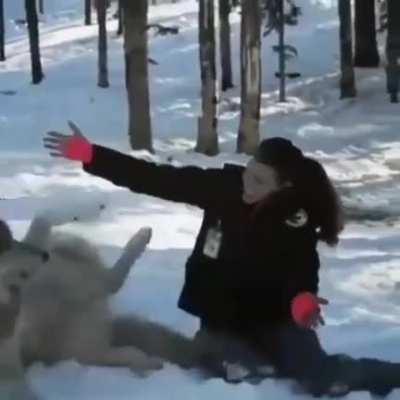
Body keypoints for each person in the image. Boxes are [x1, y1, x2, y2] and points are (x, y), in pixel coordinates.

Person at [43, 122, 400, 397]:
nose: (248, 182)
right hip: (223, 322)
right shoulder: (224, 188)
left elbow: (303, 272)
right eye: (249, 171)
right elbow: (156, 178)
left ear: (283, 188)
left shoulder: (296, 219)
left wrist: (303, 299)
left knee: (321, 377)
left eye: (260, 181)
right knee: (243, 371)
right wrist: (92, 156)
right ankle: (241, 358)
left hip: (274, 320)